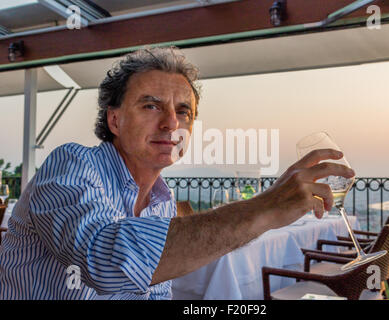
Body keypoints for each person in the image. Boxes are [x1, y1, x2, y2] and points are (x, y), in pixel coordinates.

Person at [0, 46, 354, 299]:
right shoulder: (71, 166)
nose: (171, 123)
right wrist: (266, 207)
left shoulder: (162, 202)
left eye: (183, 111)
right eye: (151, 105)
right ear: (115, 119)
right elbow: (105, 260)